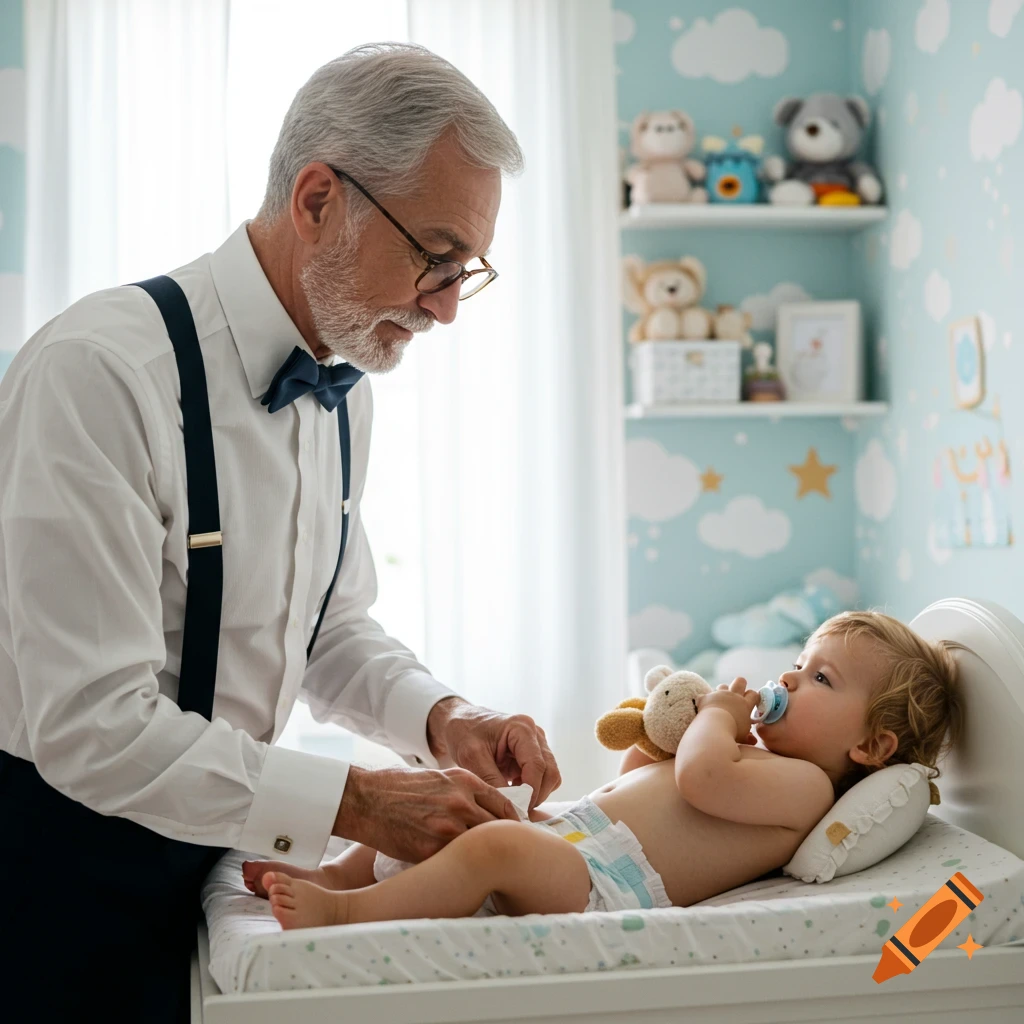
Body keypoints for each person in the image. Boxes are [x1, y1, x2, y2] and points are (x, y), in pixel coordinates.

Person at [0, 43, 559, 1022]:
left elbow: (328, 629)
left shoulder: (344, 383)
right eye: (433, 254)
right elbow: (91, 722)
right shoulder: (100, 374)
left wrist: (443, 717)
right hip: (52, 857)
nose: (444, 307)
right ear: (315, 200)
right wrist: (357, 801)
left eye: (466, 271)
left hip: (221, 842)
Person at [243, 610, 964, 928]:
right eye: (798, 665)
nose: (791, 680)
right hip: (578, 835)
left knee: (493, 847)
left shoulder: (806, 790)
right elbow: (641, 779)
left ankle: (348, 912)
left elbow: (699, 783)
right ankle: (335, 872)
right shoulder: (758, 755)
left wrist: (712, 719)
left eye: (822, 680)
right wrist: (658, 740)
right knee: (459, 796)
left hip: (603, 886)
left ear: (870, 748)